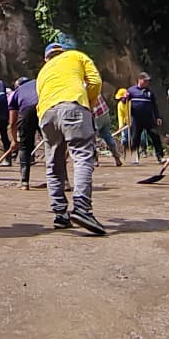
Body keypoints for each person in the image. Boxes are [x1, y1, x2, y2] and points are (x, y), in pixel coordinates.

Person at [36, 41, 106, 235]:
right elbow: (95, 82)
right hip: (73, 106)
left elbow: (40, 96)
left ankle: (60, 214)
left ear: (46, 58)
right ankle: (82, 208)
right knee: (82, 156)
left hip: (46, 114)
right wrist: (88, 103)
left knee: (54, 163)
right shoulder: (76, 56)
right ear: (62, 52)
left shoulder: (42, 72)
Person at [8, 74, 40, 188]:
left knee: (24, 147)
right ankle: (63, 181)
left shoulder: (16, 92)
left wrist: (15, 140)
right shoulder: (38, 82)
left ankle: (24, 182)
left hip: (26, 113)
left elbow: (12, 122)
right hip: (45, 108)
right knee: (53, 145)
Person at [126, 73, 164, 163]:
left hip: (148, 119)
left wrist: (157, 117)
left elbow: (154, 105)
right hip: (136, 119)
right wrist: (125, 98)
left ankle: (160, 156)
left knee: (155, 136)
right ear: (139, 80)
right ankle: (134, 158)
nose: (147, 83)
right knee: (135, 138)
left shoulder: (150, 92)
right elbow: (124, 102)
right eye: (145, 81)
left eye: (148, 81)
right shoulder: (131, 90)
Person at [91, 92, 123, 166]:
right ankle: (117, 158)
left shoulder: (83, 88)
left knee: (92, 139)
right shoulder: (93, 85)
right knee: (107, 136)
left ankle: (95, 160)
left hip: (96, 115)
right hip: (105, 112)